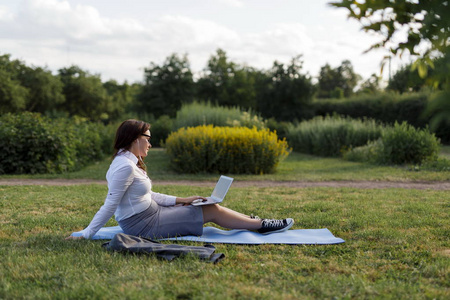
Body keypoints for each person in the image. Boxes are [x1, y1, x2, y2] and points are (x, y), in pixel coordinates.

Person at [66, 119, 294, 240]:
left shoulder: (127, 161)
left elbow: (147, 195)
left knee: (204, 205)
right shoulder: (124, 167)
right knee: (211, 210)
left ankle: (254, 220)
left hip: (152, 213)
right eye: (148, 139)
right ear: (136, 138)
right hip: (143, 226)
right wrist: (86, 234)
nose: (150, 144)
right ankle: (263, 225)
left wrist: (182, 200)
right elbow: (110, 205)